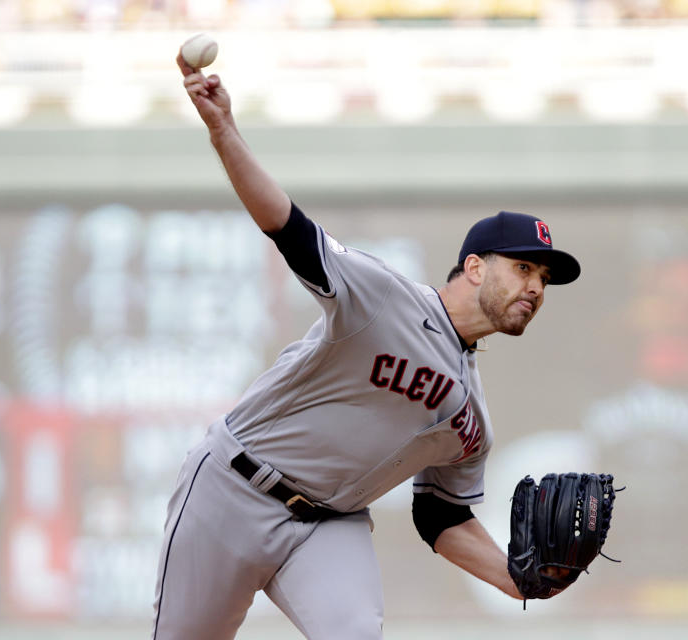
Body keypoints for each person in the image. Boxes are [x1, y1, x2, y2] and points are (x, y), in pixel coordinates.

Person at [152, 51, 582, 640]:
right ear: (475, 267)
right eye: (524, 267)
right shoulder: (384, 297)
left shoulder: (471, 420)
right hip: (234, 488)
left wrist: (517, 581)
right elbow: (288, 228)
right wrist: (224, 130)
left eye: (543, 279)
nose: (535, 285)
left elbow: (440, 515)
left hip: (330, 524)